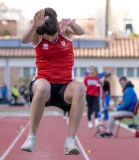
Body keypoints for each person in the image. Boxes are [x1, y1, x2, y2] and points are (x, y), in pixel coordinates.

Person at [20, 8, 85, 155]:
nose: (50, 40)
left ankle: (70, 140)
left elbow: (80, 32)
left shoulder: (64, 29)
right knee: (43, 86)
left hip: (65, 87)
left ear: (57, 26)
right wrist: (33, 26)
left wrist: (72, 24)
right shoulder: (37, 34)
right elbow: (23, 40)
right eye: (46, 37)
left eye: (53, 36)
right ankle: (31, 136)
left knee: (80, 88)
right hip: (43, 84)